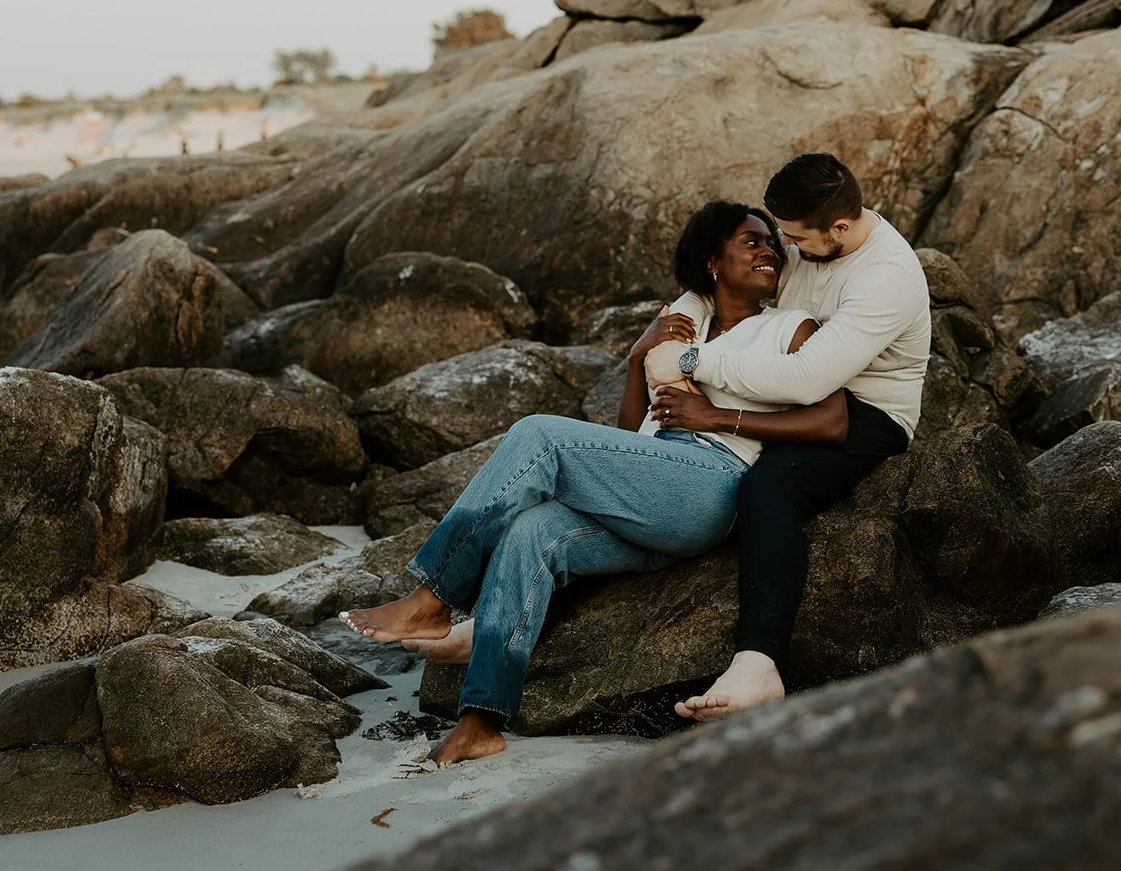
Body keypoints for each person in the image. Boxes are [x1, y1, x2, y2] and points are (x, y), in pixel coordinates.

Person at [342, 202, 851, 764]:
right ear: (712, 261)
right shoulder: (681, 330)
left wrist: (718, 419)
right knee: (530, 534)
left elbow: (832, 420)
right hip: (652, 484)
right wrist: (637, 359)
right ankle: (481, 720)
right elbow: (628, 434)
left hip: (714, 480)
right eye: (751, 242)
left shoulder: (789, 327)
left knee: (540, 435)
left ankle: (432, 597)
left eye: (772, 245)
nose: (768, 252)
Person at [668, 152, 931, 722]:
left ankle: (758, 665)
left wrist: (697, 361)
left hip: (866, 410)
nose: (783, 248)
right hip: (777, 380)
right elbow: (726, 278)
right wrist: (680, 315)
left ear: (839, 227)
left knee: (767, 492)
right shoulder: (811, 239)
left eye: (792, 237)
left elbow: (812, 378)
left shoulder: (885, 278)